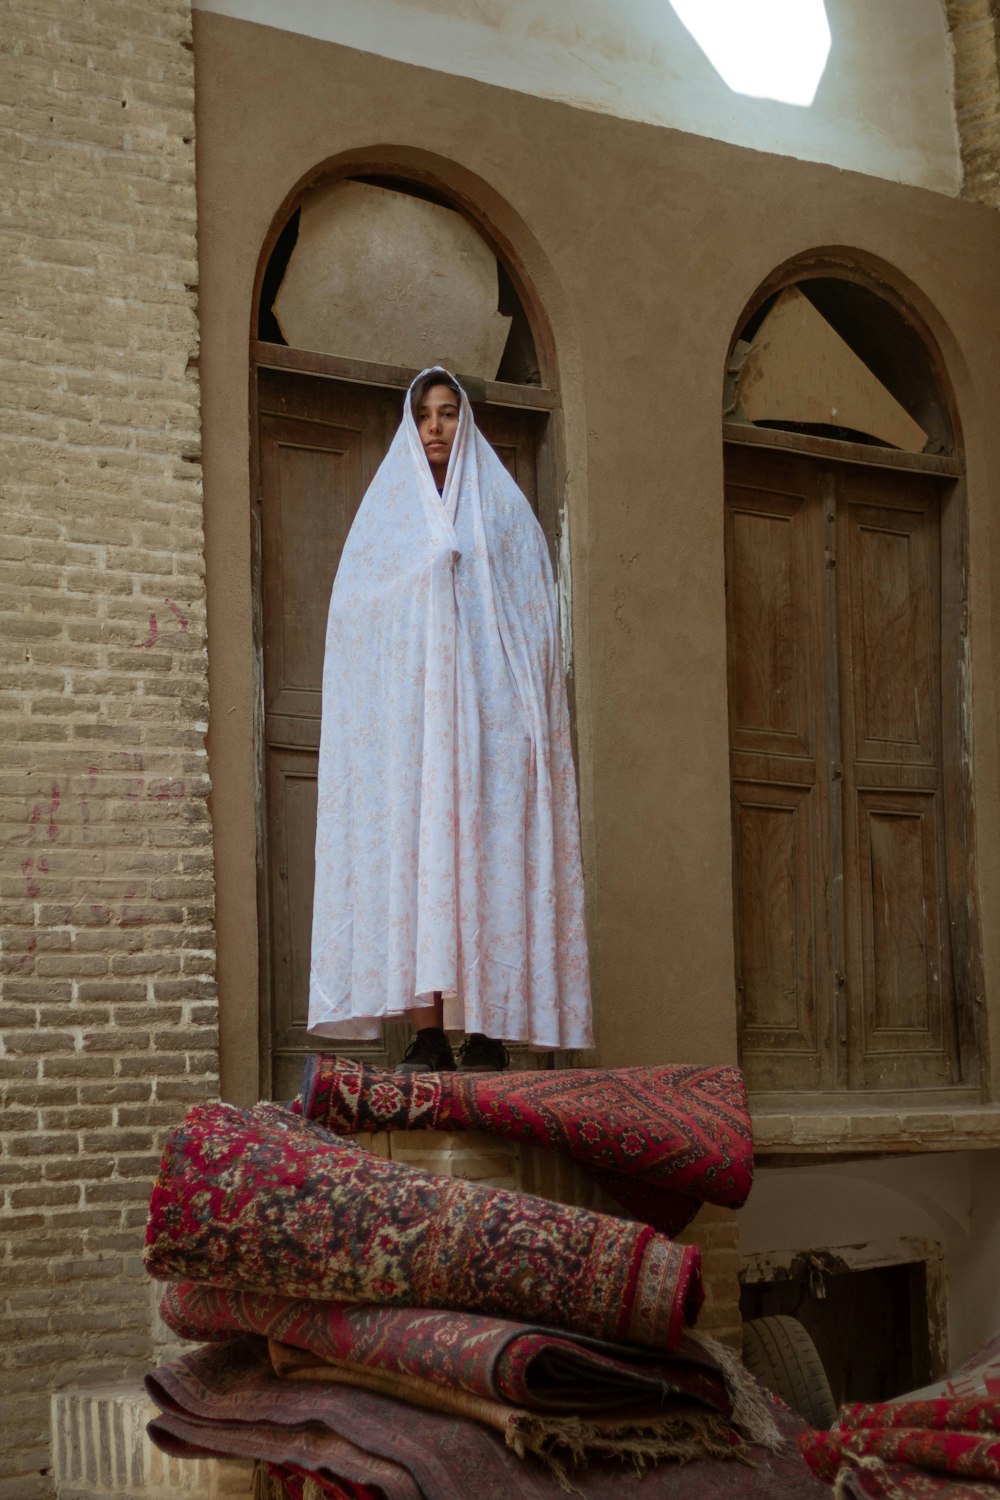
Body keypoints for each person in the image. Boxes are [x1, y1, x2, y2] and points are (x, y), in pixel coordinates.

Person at [307, 366, 592, 1072]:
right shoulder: (387, 519)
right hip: (412, 737)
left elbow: (535, 622)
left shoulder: (502, 511)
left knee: (487, 872)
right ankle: (428, 1035)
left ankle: (486, 1031)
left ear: (465, 423)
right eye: (425, 415)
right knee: (418, 871)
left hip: (491, 734)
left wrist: (521, 724)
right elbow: (354, 623)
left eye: (448, 413)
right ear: (411, 426)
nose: (436, 426)